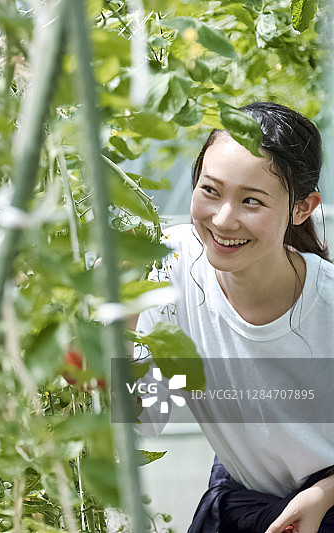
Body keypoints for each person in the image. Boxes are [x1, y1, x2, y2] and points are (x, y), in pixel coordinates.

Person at [134, 102, 334, 533]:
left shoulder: (328, 308)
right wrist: (123, 319)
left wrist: (323, 495)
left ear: (302, 208)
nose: (223, 219)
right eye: (210, 190)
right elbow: (146, 414)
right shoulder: (169, 266)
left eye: (251, 200)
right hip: (240, 504)